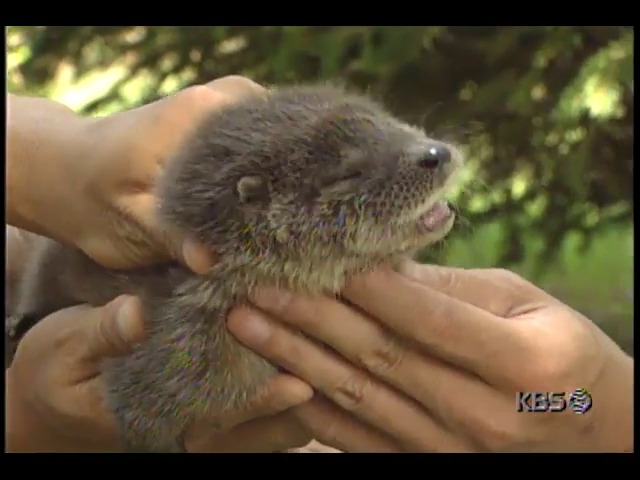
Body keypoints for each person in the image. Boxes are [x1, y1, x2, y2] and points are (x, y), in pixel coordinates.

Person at [5, 76, 633, 453]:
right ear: (256, 218)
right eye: (358, 173)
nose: (431, 155)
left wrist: (595, 412)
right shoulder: (190, 326)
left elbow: (552, 403)